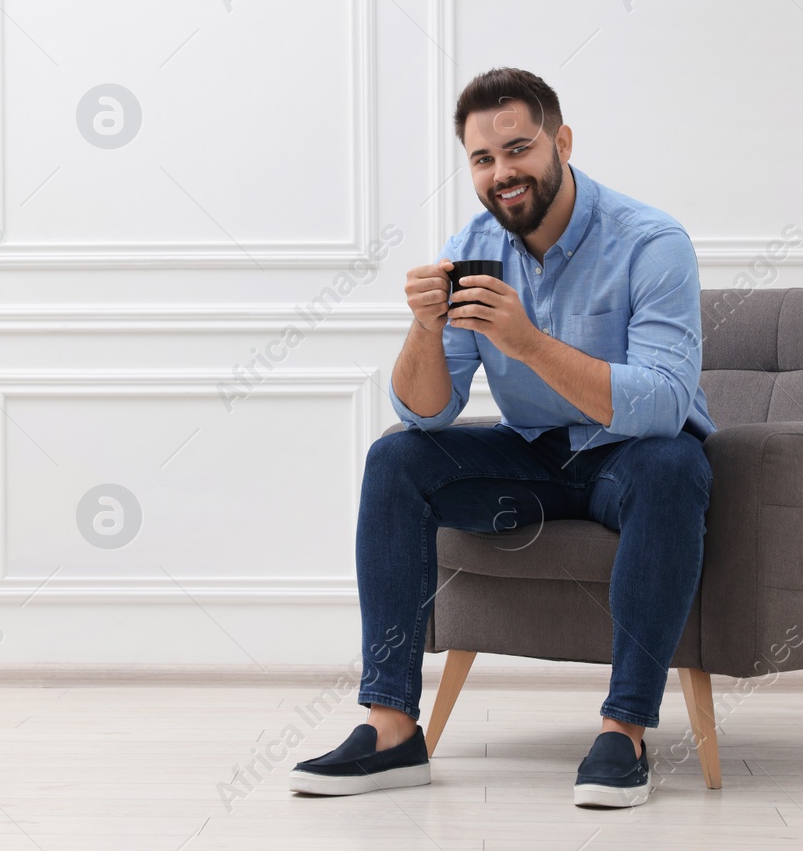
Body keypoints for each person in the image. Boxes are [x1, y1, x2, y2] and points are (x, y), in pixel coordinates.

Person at [288, 66, 715, 808]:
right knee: (396, 457)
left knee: (676, 464)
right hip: (538, 458)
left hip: (633, 459)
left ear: (562, 141)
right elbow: (428, 411)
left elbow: (665, 401)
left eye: (518, 149)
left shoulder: (652, 242)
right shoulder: (474, 246)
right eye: (483, 159)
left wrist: (526, 341)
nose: (502, 174)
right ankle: (391, 731)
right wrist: (425, 327)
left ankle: (624, 732)